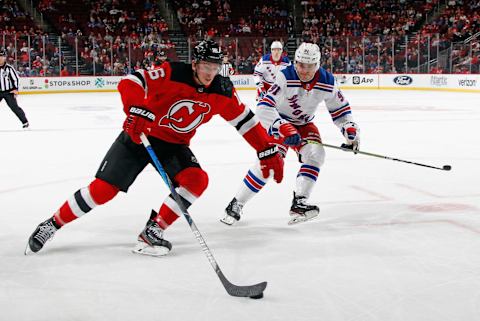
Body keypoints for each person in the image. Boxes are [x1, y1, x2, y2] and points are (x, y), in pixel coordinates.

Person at [25, 39, 284, 256]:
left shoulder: (223, 90)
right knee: (102, 191)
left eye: (216, 67)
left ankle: (153, 230)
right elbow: (131, 81)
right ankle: (52, 223)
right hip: (140, 136)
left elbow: (245, 121)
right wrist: (136, 110)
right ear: (195, 63)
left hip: (173, 145)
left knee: (196, 180)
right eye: (206, 66)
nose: (210, 72)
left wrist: (265, 148)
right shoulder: (172, 72)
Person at [221, 43, 360, 226]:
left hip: (304, 125)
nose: (304, 70)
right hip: (279, 122)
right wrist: (281, 126)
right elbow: (264, 107)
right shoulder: (285, 76)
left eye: (309, 66)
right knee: (270, 164)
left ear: (317, 64)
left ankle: (300, 203)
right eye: (301, 65)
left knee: (316, 155)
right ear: (295, 62)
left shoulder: (327, 80)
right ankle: (236, 203)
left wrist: (350, 131)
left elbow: (340, 110)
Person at [0, 48, 29, 128]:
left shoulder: (9, 68)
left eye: (2, 56)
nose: (0, 58)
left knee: (14, 107)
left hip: (9, 92)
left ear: (5, 57)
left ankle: (25, 122)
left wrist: (16, 89)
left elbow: (16, 79)